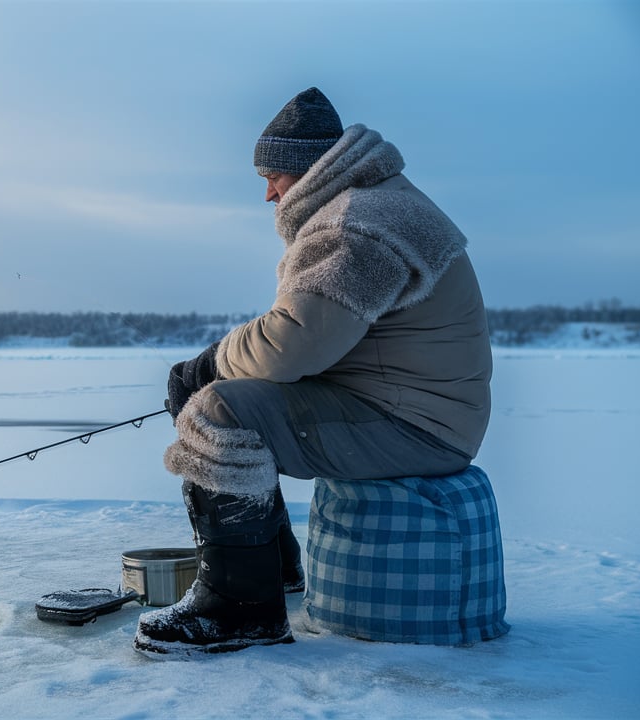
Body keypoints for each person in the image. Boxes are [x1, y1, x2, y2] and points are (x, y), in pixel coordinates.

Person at [134, 87, 492, 655]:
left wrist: (208, 367)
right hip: (421, 414)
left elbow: (295, 346)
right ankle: (272, 573)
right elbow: (312, 330)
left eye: (273, 175)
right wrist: (223, 364)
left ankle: (241, 611)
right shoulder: (379, 205)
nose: (269, 193)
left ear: (308, 171)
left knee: (219, 413)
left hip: (414, 427)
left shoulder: (357, 225)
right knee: (238, 397)